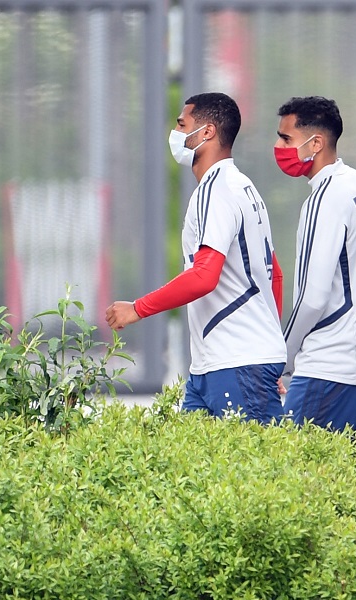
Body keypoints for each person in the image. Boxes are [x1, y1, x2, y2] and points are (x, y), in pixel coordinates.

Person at [105, 92, 286, 425]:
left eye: (181, 124)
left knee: (249, 459)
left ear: (207, 132)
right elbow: (274, 273)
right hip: (216, 365)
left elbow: (204, 276)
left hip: (236, 361)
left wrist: (137, 309)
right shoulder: (243, 187)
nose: (174, 134)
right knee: (187, 457)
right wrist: (270, 348)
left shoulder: (218, 190)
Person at [273, 96, 356, 432]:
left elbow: (312, 297)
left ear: (316, 143)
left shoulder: (324, 198)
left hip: (329, 364)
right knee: (343, 465)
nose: (278, 147)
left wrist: (281, 359)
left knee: (291, 463)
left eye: (286, 139)